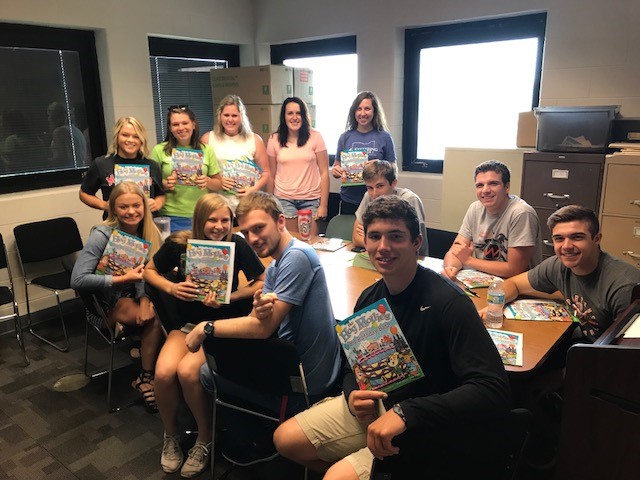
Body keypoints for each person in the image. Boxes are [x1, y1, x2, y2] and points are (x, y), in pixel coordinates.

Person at [273, 195, 511, 480]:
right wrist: (352, 395)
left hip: (425, 421)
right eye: (375, 236)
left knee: (336, 477)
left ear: (416, 242)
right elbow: (354, 367)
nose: (383, 247)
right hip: (377, 408)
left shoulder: (449, 303)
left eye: (395, 236)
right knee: (285, 439)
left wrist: (406, 412)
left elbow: (492, 388)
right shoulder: (369, 299)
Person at [143, 193, 265, 478]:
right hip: (185, 323)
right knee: (162, 373)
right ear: (200, 220)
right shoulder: (179, 244)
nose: (219, 226)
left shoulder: (237, 244)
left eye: (225, 220)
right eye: (212, 219)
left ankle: (204, 438)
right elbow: (149, 272)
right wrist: (172, 288)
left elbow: (261, 280)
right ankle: (171, 435)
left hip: (217, 326)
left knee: (187, 372)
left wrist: (231, 297)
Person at [480, 205, 640, 343]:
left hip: (605, 360)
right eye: (559, 239)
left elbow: (626, 353)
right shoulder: (557, 265)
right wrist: (493, 308)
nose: (566, 246)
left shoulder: (624, 286)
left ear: (596, 239)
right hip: (582, 345)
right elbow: (513, 284)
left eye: (577, 237)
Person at [70, 181, 165, 413]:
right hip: (107, 301)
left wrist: (143, 299)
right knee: (156, 319)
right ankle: (146, 378)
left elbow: (146, 274)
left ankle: (164, 373)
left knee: (169, 311)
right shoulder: (101, 235)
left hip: (137, 294)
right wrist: (121, 279)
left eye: (136, 205)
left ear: (144, 206)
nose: (131, 211)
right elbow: (77, 280)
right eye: (123, 207)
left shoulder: (151, 233)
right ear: (113, 209)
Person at [443, 160, 542, 280]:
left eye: (493, 184)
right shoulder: (475, 208)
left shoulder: (521, 213)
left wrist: (468, 260)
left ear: (507, 187)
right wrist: (450, 268)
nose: (485, 190)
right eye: (480, 185)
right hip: (484, 280)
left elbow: (515, 269)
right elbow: (456, 251)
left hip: (517, 286)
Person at [150, 105, 222, 232]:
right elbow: (149, 184)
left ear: (193, 125)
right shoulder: (159, 150)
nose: (181, 128)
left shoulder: (206, 150)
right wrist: (165, 183)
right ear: (170, 128)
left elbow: (218, 183)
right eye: (175, 124)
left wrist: (208, 181)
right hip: (169, 215)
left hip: (201, 214)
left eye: (185, 123)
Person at [80, 116, 165, 220]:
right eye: (125, 135)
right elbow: (84, 193)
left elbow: (161, 194)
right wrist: (104, 205)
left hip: (147, 225)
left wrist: (157, 203)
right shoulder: (101, 164)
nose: (130, 140)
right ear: (117, 136)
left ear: (142, 140)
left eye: (136, 136)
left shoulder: (152, 166)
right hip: (115, 225)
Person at [267, 97, 329, 236]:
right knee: (292, 243)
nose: (294, 117)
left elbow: (324, 173)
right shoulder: (274, 139)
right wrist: (270, 205)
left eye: (298, 113)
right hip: (284, 198)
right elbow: (271, 175)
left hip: (311, 199)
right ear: (284, 116)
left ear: (304, 116)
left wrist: (323, 205)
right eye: (290, 113)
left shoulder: (316, 137)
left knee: (311, 242)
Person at [201, 95, 270, 214]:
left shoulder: (254, 139)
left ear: (242, 117)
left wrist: (253, 189)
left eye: (234, 116)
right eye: (226, 115)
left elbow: (266, 173)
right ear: (219, 116)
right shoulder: (208, 139)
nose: (230, 120)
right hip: (217, 205)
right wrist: (217, 182)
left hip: (245, 205)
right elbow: (201, 173)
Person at [331, 91, 396, 214]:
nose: (362, 113)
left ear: (374, 111)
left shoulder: (384, 137)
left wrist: (379, 164)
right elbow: (337, 166)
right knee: (352, 232)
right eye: (359, 109)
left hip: (377, 199)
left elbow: (394, 169)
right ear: (354, 112)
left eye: (367, 109)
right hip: (349, 199)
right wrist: (336, 170)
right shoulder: (345, 137)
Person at [351, 160, 428, 256]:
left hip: (412, 260)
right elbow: (355, 238)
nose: (374, 194)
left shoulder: (409, 199)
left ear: (394, 183)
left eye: (380, 186)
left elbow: (413, 245)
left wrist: (371, 240)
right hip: (379, 258)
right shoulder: (368, 196)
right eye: (370, 187)